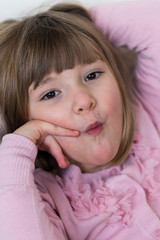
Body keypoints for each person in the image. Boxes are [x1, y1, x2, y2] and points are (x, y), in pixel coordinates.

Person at [0, 1, 160, 239]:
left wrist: (77, 21)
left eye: (92, 75)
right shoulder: (44, 198)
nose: (84, 101)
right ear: (23, 120)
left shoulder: (148, 106)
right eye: (51, 94)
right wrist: (16, 147)